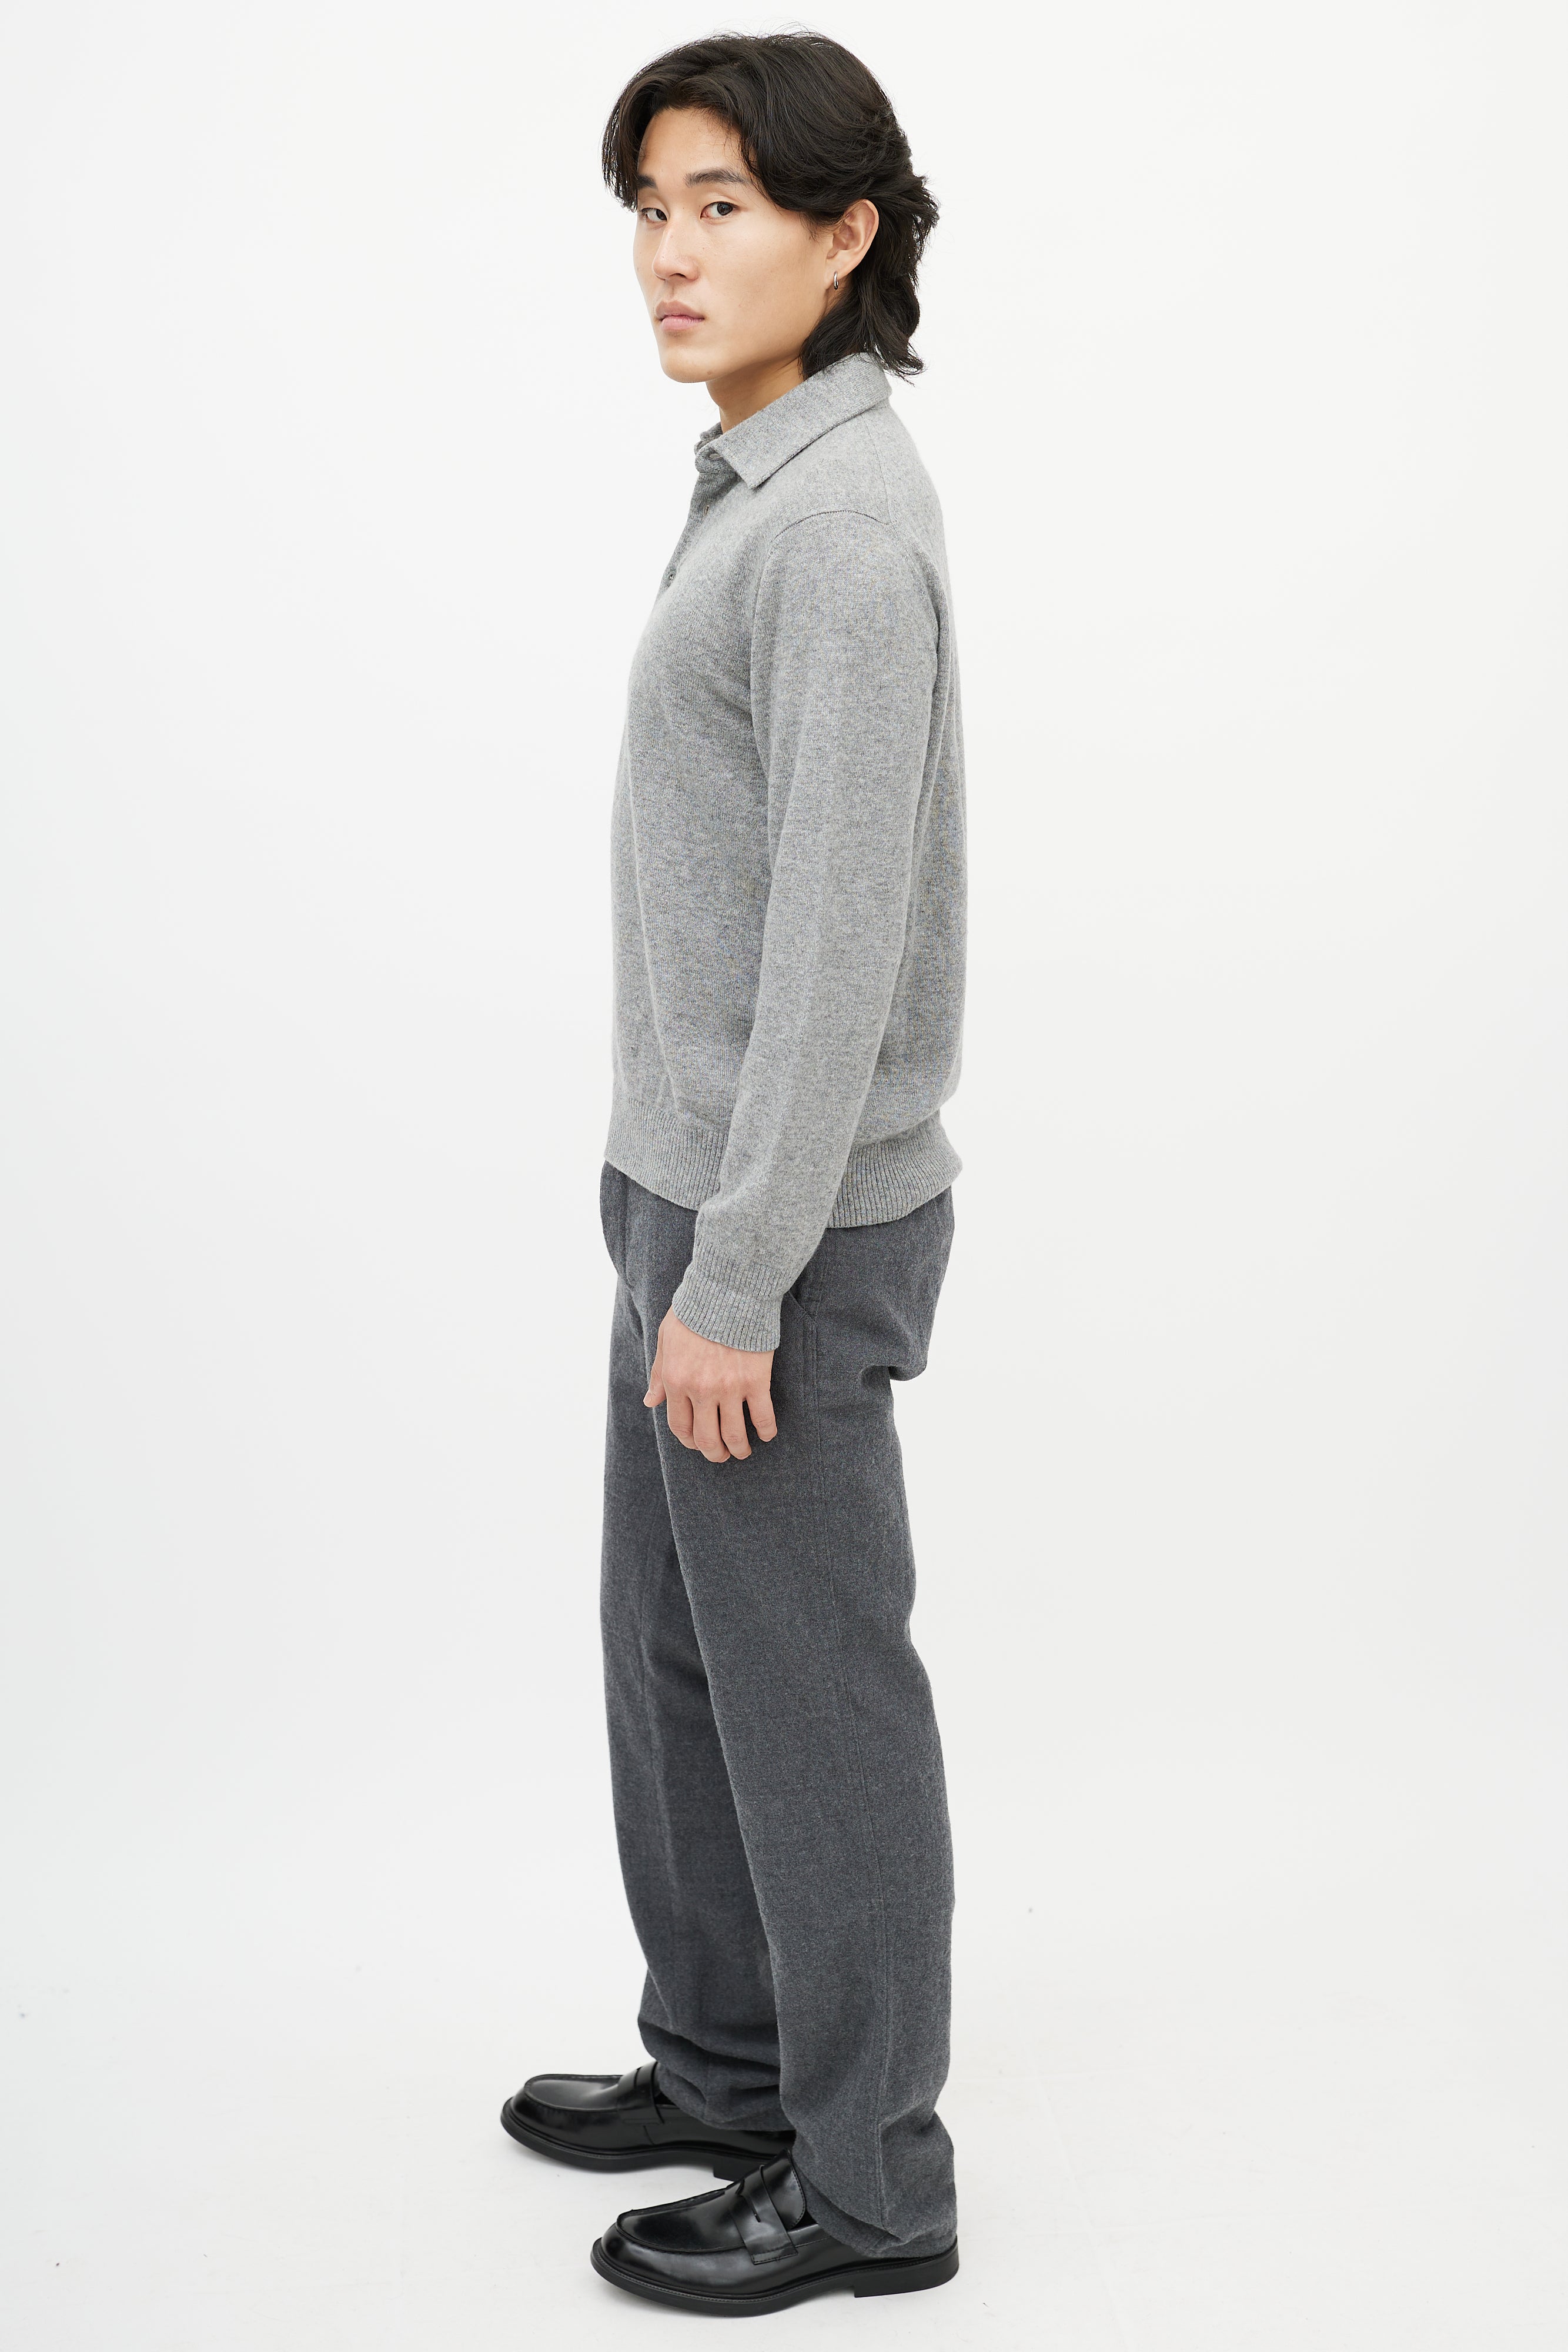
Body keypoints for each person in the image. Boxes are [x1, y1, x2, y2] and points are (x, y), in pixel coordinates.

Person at [501, 31, 967, 2316]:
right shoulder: (759, 487)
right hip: (685, 1186)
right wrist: (672, 1222)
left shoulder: (842, 534)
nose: (669, 255)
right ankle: (729, 2062)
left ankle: (870, 2180)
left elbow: (833, 950)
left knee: (810, 1698)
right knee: (679, 1661)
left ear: (843, 232)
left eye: (721, 207)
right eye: (650, 208)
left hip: (776, 1218)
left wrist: (741, 1270)